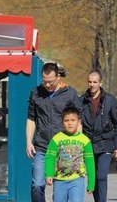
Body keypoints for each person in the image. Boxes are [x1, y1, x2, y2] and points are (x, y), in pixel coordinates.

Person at [26, 62, 82, 202]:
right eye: (44, 81)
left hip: (64, 148)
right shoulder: (36, 93)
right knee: (37, 185)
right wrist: (28, 142)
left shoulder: (69, 94)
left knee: (61, 191)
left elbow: (78, 120)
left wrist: (78, 144)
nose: (47, 85)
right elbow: (31, 119)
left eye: (50, 81)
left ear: (58, 77)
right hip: (42, 147)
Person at [79, 71, 117, 202]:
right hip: (88, 145)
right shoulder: (81, 101)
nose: (92, 85)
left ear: (100, 83)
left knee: (102, 175)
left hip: (106, 144)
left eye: (95, 82)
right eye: (90, 82)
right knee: (93, 177)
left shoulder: (110, 100)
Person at [45, 106, 96, 202]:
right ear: (62, 122)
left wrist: (91, 183)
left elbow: (90, 162)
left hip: (77, 179)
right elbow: (50, 157)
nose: (70, 123)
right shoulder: (56, 139)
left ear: (79, 122)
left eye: (73, 120)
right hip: (59, 180)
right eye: (66, 120)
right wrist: (49, 174)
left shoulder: (85, 140)